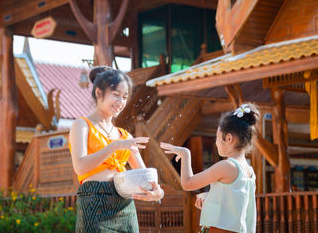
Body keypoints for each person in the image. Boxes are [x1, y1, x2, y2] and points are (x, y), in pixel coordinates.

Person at [69, 66, 164, 233]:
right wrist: (115, 146)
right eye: (116, 95)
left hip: (125, 204)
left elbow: (145, 175)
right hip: (94, 200)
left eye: (125, 97)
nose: (121, 102)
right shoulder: (82, 125)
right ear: (99, 93)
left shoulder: (124, 136)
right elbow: (80, 167)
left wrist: (158, 193)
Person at [160, 103, 259, 233]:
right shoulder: (249, 171)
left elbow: (188, 183)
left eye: (217, 138)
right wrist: (211, 197)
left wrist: (185, 154)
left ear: (228, 138)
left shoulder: (227, 166)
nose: (216, 143)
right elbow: (234, 207)